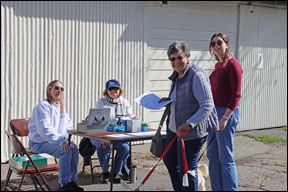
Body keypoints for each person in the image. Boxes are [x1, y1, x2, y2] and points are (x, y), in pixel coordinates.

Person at [161, 41, 219, 191]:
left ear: (187, 56)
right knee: (170, 160)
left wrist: (189, 124)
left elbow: (207, 105)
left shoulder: (196, 75)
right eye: (172, 59)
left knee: (188, 170)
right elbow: (182, 98)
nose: (176, 62)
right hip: (174, 130)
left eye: (179, 57)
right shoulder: (177, 75)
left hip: (191, 133)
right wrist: (167, 101)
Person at [28, 80, 83, 191]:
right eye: (56, 88)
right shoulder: (43, 106)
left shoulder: (61, 107)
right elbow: (45, 130)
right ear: (49, 90)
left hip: (53, 141)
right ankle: (64, 184)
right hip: (38, 143)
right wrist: (61, 141)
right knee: (65, 151)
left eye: (61, 89)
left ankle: (71, 181)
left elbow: (67, 125)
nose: (59, 91)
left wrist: (67, 140)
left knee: (73, 148)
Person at [207, 32, 242, 191]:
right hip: (213, 114)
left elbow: (236, 95)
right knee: (212, 156)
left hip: (226, 113)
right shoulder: (217, 66)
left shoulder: (233, 65)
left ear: (227, 44)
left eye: (219, 42)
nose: (216, 46)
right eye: (213, 43)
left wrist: (225, 118)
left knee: (225, 156)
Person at [90, 79, 137, 184]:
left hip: (118, 135)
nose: (113, 91)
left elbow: (130, 116)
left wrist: (135, 118)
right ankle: (105, 173)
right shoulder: (101, 102)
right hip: (100, 134)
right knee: (103, 146)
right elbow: (97, 122)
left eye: (116, 88)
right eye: (110, 89)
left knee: (125, 147)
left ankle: (115, 173)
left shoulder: (124, 102)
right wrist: (103, 137)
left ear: (120, 90)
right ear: (107, 91)